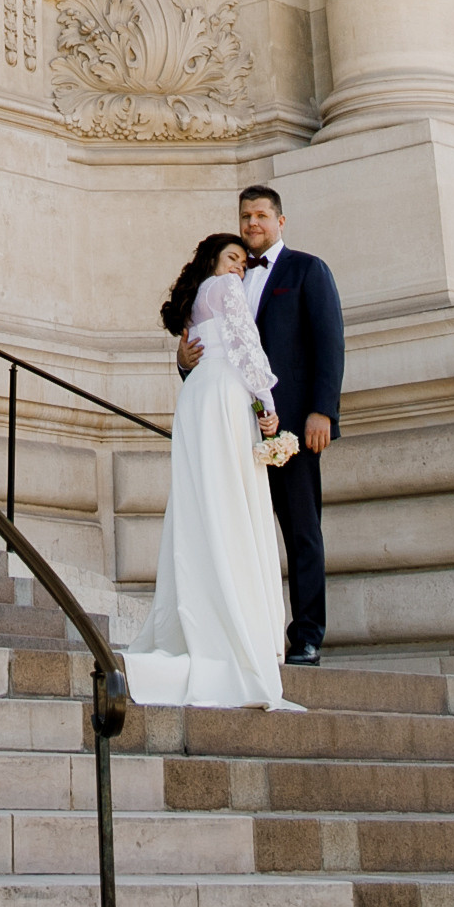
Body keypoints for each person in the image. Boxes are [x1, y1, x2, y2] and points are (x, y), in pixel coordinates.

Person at [124, 232, 299, 711]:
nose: (240, 268)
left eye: (244, 262)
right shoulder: (225, 290)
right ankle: (236, 624)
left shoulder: (195, 301)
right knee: (231, 503)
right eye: (232, 258)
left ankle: (204, 613)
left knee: (203, 504)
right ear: (212, 261)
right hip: (225, 395)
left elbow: (206, 347)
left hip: (198, 397)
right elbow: (246, 346)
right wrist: (268, 404)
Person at [179, 183, 343, 667]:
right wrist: (185, 361)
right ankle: (251, 630)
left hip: (290, 426)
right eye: (246, 215)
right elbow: (215, 349)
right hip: (234, 426)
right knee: (241, 527)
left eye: (261, 216)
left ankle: (308, 634)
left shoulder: (306, 269)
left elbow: (328, 342)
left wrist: (323, 411)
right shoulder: (223, 278)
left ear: (280, 222)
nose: (253, 223)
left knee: (301, 530)